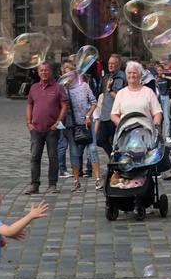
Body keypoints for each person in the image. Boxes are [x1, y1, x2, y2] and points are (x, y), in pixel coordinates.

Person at [25, 61, 67, 195]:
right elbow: (30, 105)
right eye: (41, 70)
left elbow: (65, 106)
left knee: (53, 157)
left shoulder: (58, 87)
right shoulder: (34, 88)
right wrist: (29, 123)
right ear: (38, 72)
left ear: (51, 71)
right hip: (36, 129)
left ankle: (52, 184)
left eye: (46, 70)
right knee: (35, 157)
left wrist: (57, 123)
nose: (44, 72)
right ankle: (34, 185)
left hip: (52, 129)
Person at [92, 55, 127, 189]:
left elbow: (119, 96)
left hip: (114, 116)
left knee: (114, 141)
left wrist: (110, 90)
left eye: (113, 64)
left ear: (119, 65)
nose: (110, 65)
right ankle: (113, 157)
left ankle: (117, 165)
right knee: (101, 139)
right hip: (106, 115)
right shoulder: (110, 77)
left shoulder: (120, 78)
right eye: (110, 63)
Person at [62, 64, 95, 192]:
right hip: (70, 124)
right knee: (74, 153)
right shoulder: (64, 90)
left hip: (85, 123)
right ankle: (76, 181)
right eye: (66, 75)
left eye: (70, 74)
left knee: (91, 149)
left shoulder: (84, 87)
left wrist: (88, 116)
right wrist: (62, 126)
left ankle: (96, 177)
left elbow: (93, 102)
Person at [111, 61, 163, 127]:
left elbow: (157, 112)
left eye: (134, 73)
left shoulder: (149, 92)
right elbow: (114, 115)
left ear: (141, 75)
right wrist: (123, 125)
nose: (132, 75)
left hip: (145, 131)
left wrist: (156, 127)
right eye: (129, 73)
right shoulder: (121, 93)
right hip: (125, 132)